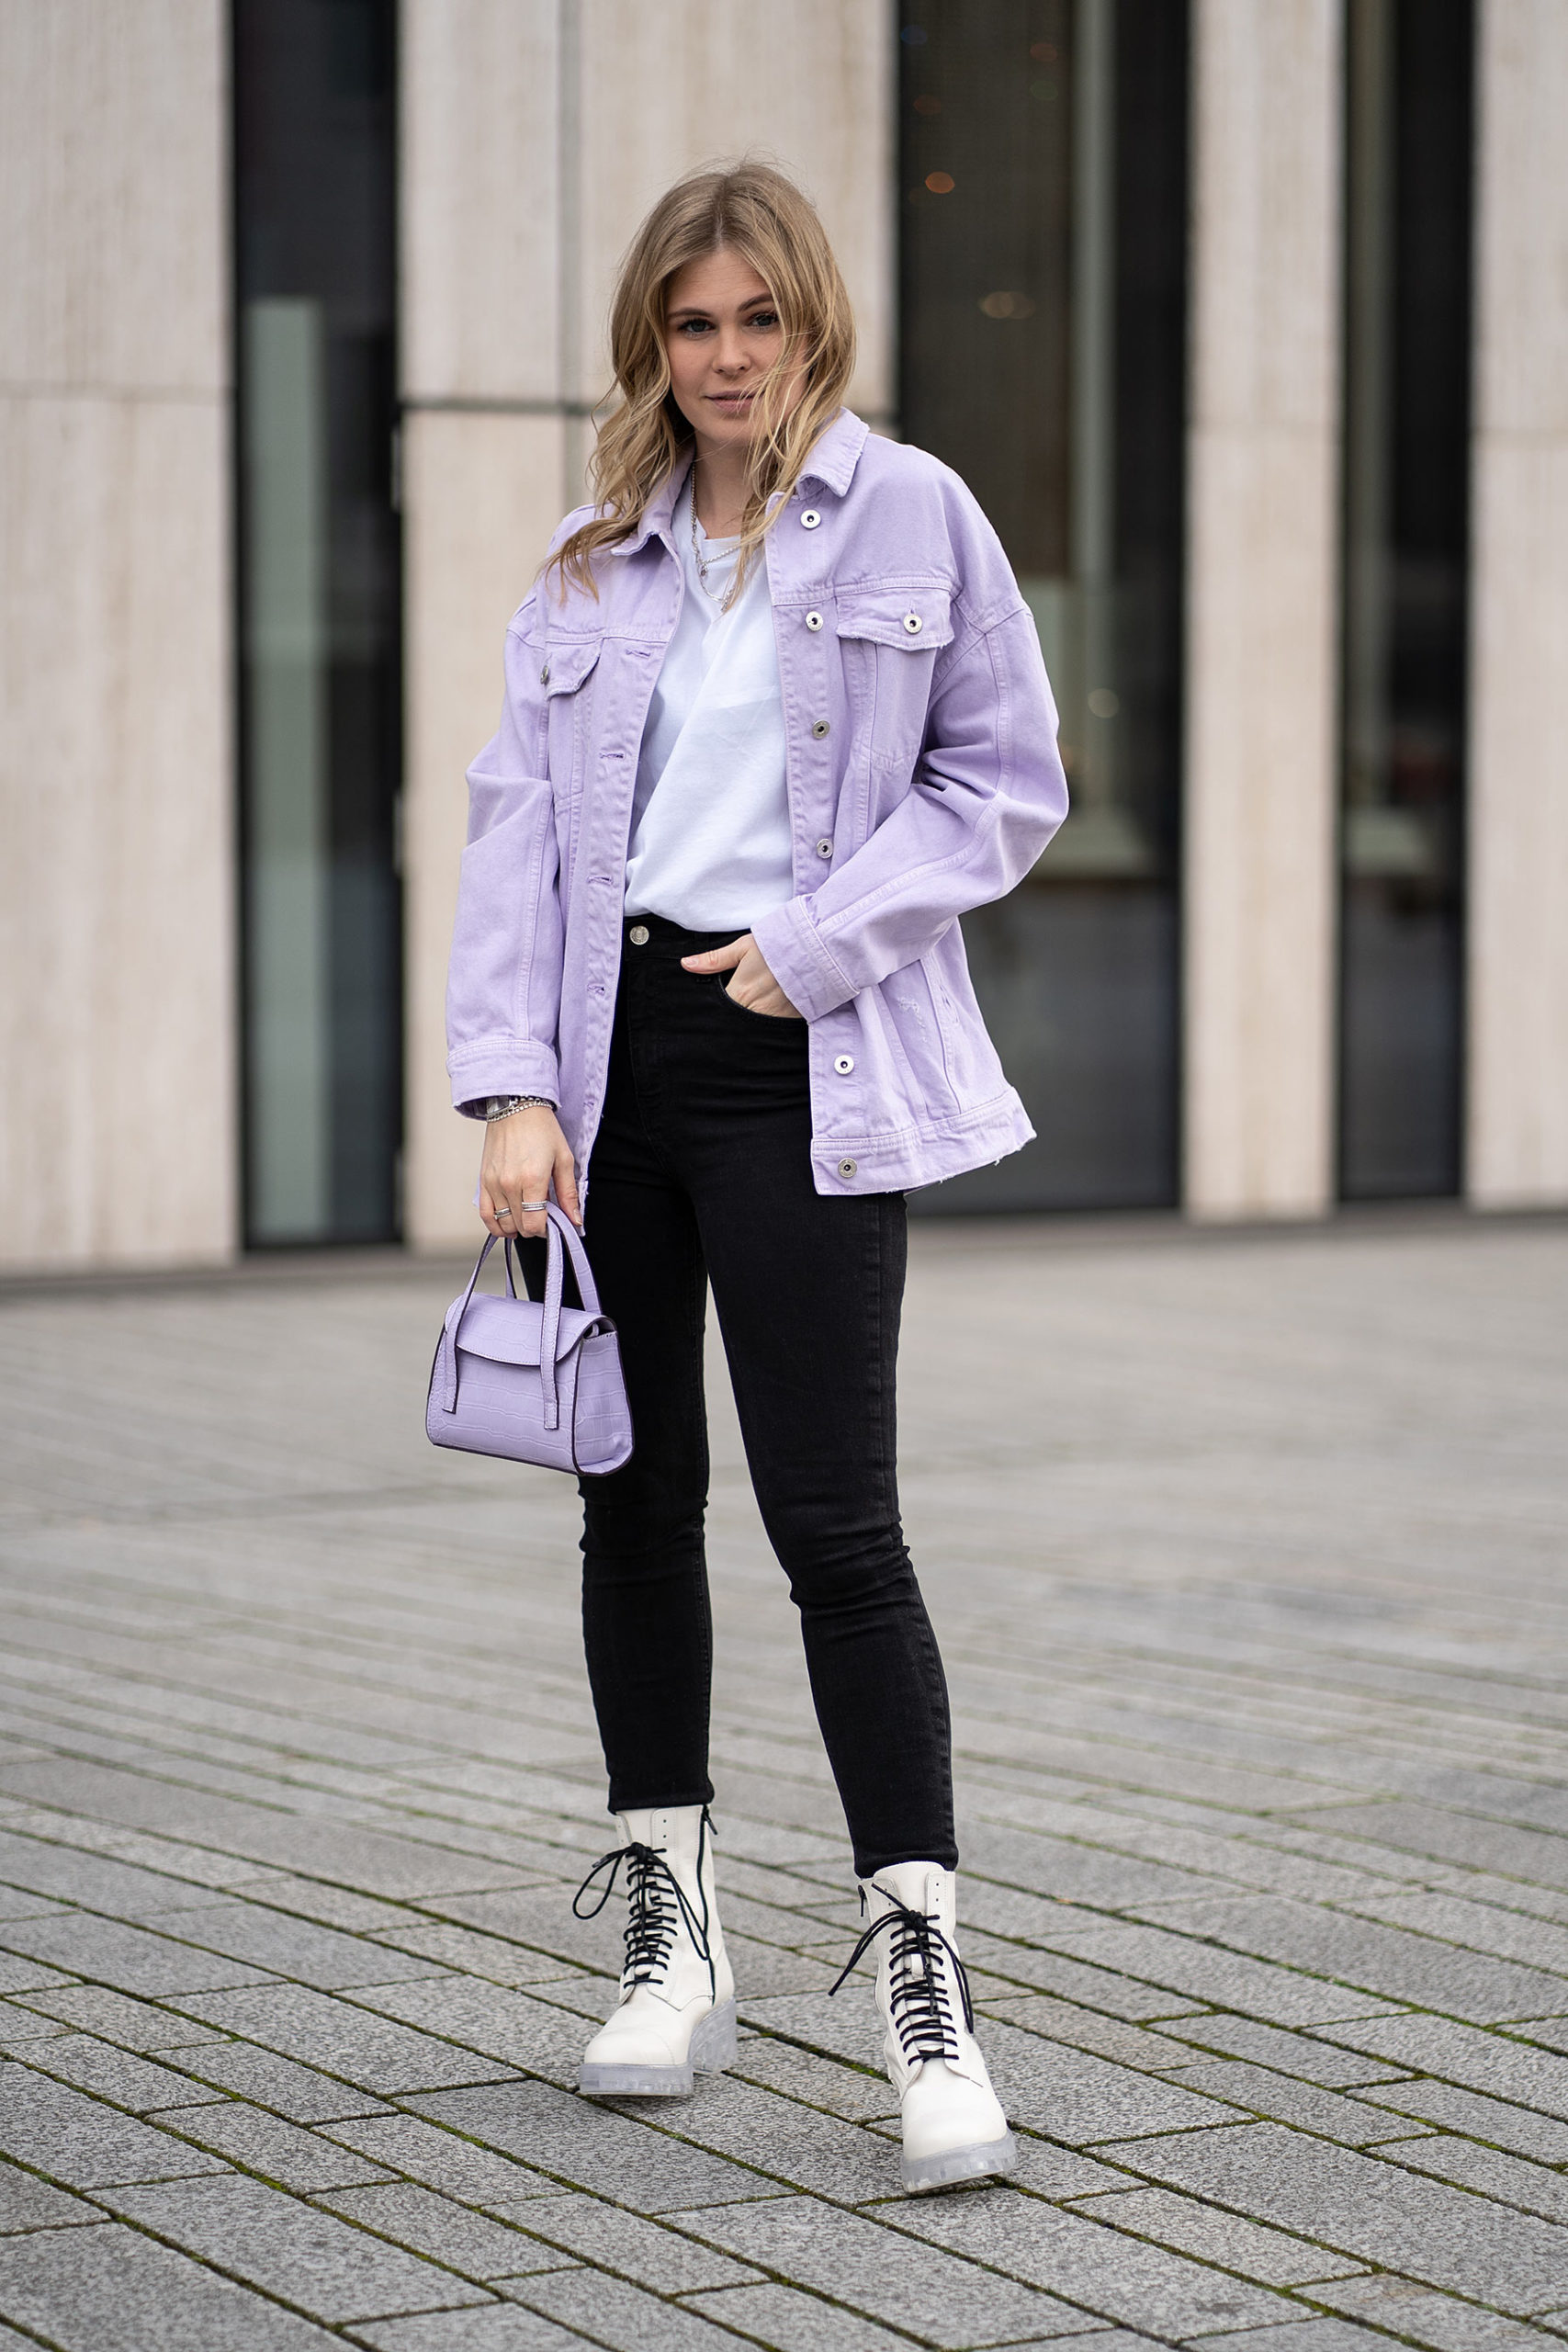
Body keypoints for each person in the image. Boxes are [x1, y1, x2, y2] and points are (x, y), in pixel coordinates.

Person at [446, 162, 1066, 2195]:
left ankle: (925, 1982)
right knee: (633, 1507)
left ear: (812, 325)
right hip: (608, 1062)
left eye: (756, 321)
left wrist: (816, 947)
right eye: (688, 325)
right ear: (654, 341)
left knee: (836, 1528)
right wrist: (507, 1092)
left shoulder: (913, 516)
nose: (724, 360)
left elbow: (1003, 779)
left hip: (802, 1054)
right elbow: (514, 832)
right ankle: (670, 1935)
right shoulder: (588, 557)